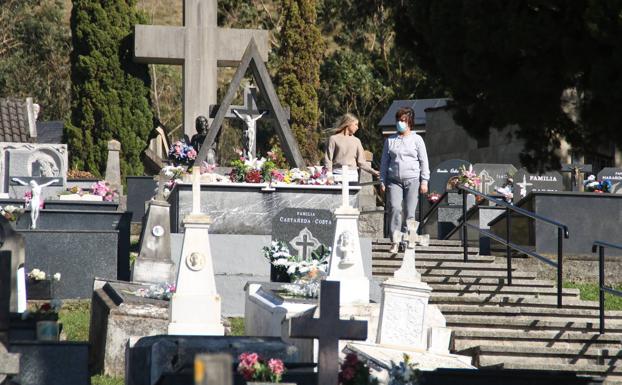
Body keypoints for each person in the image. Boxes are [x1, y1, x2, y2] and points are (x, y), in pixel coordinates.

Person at [379, 107, 429, 254]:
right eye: (398, 120)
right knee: (395, 208)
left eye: (403, 120)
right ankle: (395, 240)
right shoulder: (391, 140)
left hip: (413, 179)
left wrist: (424, 181)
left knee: (410, 211)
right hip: (394, 180)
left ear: (409, 122)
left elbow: (423, 160)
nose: (400, 123)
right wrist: (382, 180)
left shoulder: (417, 139)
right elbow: (384, 162)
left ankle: (409, 239)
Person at [324, 113, 379, 183]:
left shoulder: (356, 141)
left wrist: (374, 172)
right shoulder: (333, 139)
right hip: (337, 176)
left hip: (352, 177)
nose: (357, 127)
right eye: (355, 124)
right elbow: (328, 159)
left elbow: (361, 162)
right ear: (348, 123)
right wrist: (329, 176)